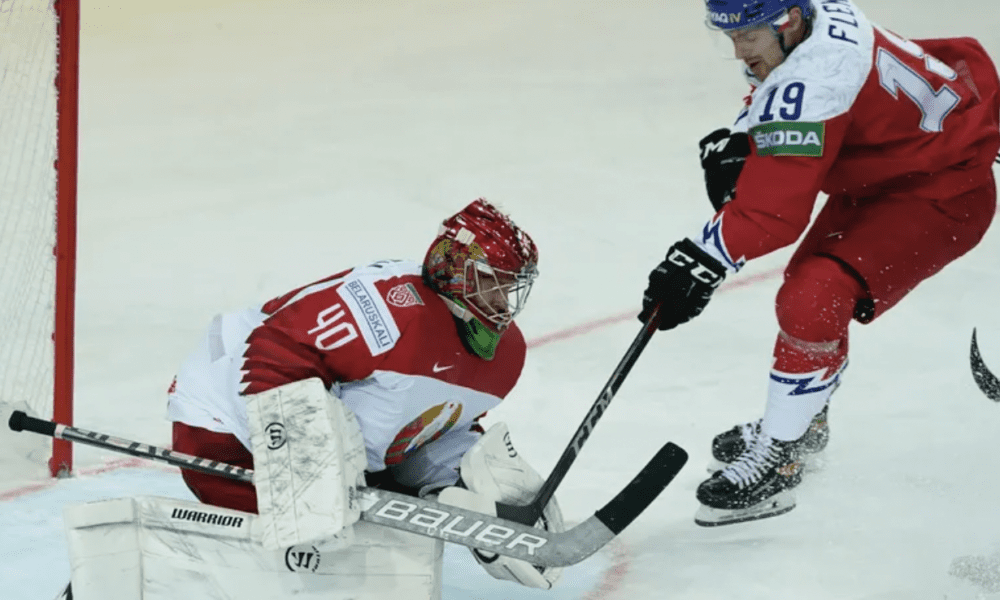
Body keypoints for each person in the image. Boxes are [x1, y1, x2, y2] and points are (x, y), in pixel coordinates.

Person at [639, 0, 1000, 526]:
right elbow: (793, 97)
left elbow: (771, 215)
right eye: (730, 36)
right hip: (890, 173)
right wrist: (747, 134)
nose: (739, 51)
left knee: (814, 296)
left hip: (938, 195)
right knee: (811, 298)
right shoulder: (813, 22)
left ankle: (780, 458)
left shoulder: (816, 79)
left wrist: (698, 261)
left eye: (749, 36)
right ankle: (801, 425)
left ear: (786, 22)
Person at [164, 198, 564, 592]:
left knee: (376, 555)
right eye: (490, 282)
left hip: (346, 455)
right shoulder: (390, 308)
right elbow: (274, 351)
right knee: (310, 559)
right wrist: (306, 477)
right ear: (454, 272)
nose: (502, 303)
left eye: (508, 287)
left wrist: (473, 492)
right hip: (222, 426)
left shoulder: (507, 357)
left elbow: (433, 427)